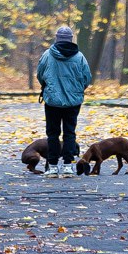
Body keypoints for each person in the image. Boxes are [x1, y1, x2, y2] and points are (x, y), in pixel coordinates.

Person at [36, 26, 92, 177]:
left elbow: (40, 74)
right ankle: (68, 166)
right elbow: (87, 78)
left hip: (52, 101)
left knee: (53, 133)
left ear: (57, 38)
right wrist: (78, 89)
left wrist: (47, 87)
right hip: (73, 102)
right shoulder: (79, 57)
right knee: (69, 132)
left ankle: (53, 166)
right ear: (71, 39)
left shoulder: (48, 55)